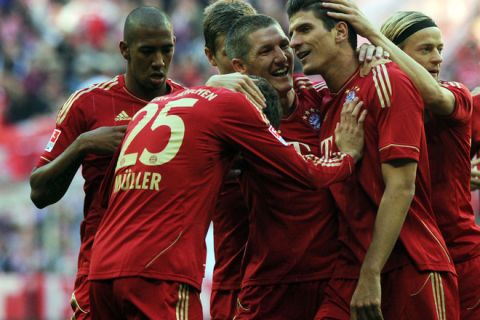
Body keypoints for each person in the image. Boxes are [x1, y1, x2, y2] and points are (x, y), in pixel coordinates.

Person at [88, 77, 365, 319]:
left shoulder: (154, 107)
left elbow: (103, 199)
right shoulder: (236, 107)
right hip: (159, 271)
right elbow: (304, 172)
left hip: (101, 269)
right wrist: (347, 157)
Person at [287, 1, 459, 319]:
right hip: (352, 271)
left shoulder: (386, 80)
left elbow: (401, 187)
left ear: (340, 31)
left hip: (408, 265)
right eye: (292, 33)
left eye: (304, 29)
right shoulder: (323, 103)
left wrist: (371, 273)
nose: (294, 41)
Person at [29, 7, 184, 319]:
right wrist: (82, 145)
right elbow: (39, 192)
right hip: (100, 271)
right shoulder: (88, 104)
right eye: (146, 51)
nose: (158, 61)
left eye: (166, 50)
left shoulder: (190, 105)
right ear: (124, 50)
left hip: (165, 271)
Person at [224, 14, 343, 319]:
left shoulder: (320, 99)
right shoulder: (235, 119)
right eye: (266, 51)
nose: (281, 57)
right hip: (271, 284)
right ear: (240, 68)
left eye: (283, 45)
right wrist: (212, 83)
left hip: (333, 279)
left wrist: (375, 52)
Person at [202, 2, 257, 318]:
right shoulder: (197, 114)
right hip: (235, 288)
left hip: (300, 286)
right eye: (228, 52)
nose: (241, 63)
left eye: (248, 48)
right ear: (210, 57)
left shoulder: (298, 97)